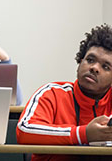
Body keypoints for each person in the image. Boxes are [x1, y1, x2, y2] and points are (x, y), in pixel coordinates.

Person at [16, 24, 112, 161]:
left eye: (105, 66)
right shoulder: (52, 93)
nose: (94, 68)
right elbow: (24, 131)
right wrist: (83, 134)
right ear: (80, 61)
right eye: (90, 60)